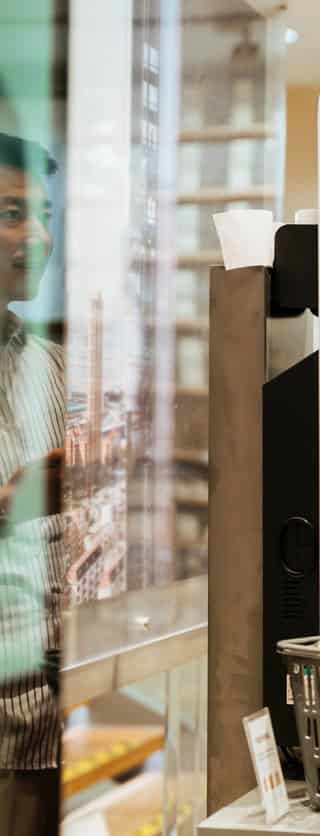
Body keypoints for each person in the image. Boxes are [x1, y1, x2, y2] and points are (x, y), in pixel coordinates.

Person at [0, 131, 67, 836]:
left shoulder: (58, 369)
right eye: (12, 214)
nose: (40, 236)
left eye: (44, 214)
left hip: (56, 733)